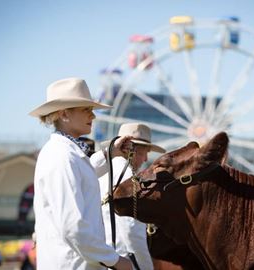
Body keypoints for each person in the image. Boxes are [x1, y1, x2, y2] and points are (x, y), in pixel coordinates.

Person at [29, 77, 132, 270]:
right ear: (64, 114)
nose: (93, 116)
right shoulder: (62, 156)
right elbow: (72, 226)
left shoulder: (65, 153)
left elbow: (83, 174)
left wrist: (111, 154)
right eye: (86, 110)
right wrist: (115, 260)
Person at [95, 123, 165, 270]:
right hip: (122, 259)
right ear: (130, 149)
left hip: (102, 257)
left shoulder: (102, 170)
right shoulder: (126, 175)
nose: (146, 159)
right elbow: (131, 229)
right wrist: (146, 267)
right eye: (143, 152)